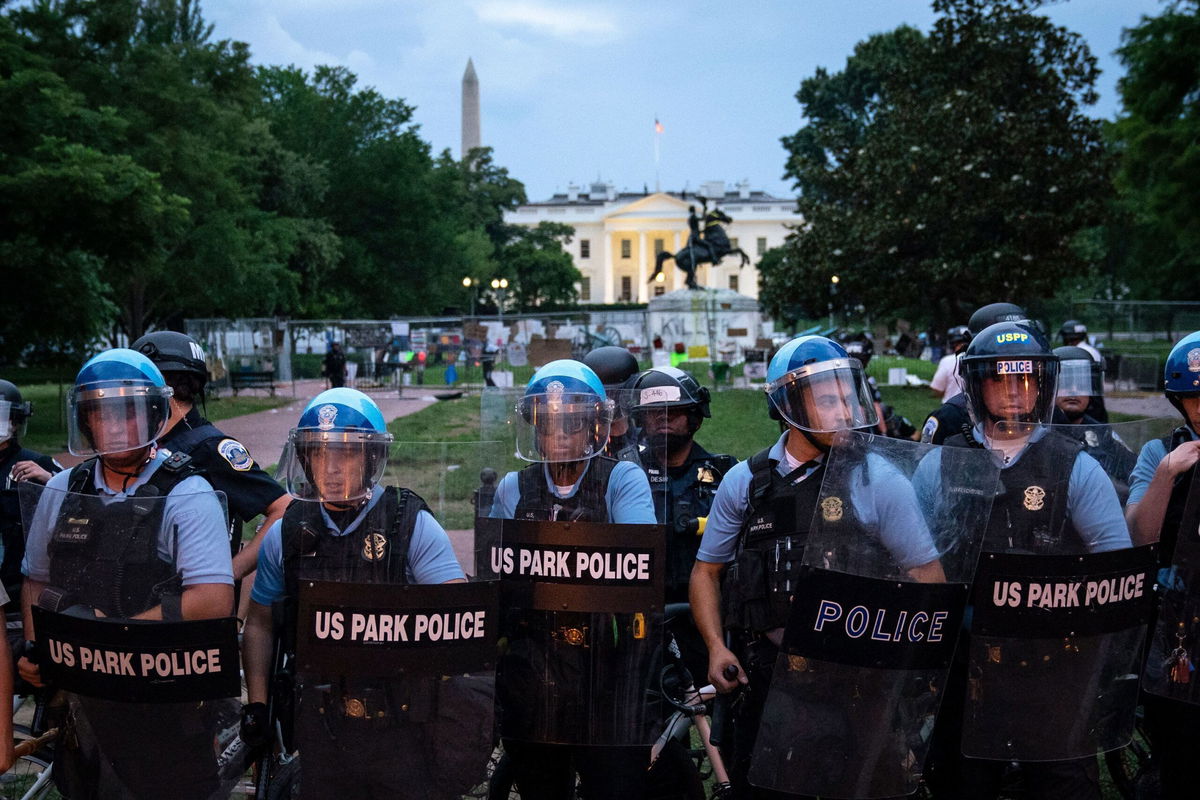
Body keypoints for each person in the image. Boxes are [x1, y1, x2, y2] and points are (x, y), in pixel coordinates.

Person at [689, 335, 946, 798]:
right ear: (787, 406)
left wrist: (900, 663)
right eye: (828, 400)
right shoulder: (746, 483)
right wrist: (714, 648)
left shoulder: (878, 478)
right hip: (770, 676)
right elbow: (707, 572)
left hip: (859, 679)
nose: (844, 411)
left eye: (848, 397)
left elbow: (928, 576)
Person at [923, 321, 1131, 800]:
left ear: (1043, 384)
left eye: (1026, 378)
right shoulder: (941, 463)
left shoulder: (1075, 463)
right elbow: (914, 562)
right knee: (963, 784)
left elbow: (1115, 570)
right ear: (976, 384)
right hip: (968, 662)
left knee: (1063, 785)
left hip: (1055, 664)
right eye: (1000, 378)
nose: (1015, 391)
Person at [18, 348, 234, 798]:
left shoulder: (188, 493)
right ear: (86, 421)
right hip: (85, 704)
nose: (115, 426)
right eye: (101, 414)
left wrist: (113, 638)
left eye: (128, 413)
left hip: (165, 704)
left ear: (155, 415)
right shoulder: (63, 488)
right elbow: (37, 579)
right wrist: (39, 647)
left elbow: (213, 600)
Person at [241, 388, 466, 799]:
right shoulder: (286, 533)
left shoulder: (408, 522)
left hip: (401, 720)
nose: (330, 469)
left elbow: (457, 616)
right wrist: (258, 704)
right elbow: (259, 622)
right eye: (318, 454)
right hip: (320, 722)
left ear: (372, 458)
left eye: (346, 454)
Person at [489, 360, 656, 800]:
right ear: (534, 428)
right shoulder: (513, 487)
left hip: (609, 664)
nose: (560, 434)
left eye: (572, 422)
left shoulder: (622, 478)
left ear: (593, 426)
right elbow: (494, 578)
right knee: (541, 786)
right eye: (548, 424)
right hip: (535, 667)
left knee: (613, 785)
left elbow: (636, 564)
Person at [132, 331, 289, 584]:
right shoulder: (144, 443)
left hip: (190, 605)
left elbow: (282, 509)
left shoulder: (211, 449)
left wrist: (228, 574)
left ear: (161, 389)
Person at [1124, 331, 1200, 800]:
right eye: (1196, 399)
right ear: (1178, 402)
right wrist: (1166, 474)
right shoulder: (1160, 453)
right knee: (1180, 747)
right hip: (1178, 625)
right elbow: (1138, 535)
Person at [627, 366, 737, 602]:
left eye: (674, 412)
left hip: (712, 605)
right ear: (641, 420)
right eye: (654, 412)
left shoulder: (726, 472)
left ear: (694, 419)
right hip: (644, 605)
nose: (663, 418)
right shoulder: (625, 474)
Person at [921, 301, 1027, 445]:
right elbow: (930, 464)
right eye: (996, 377)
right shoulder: (951, 417)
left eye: (1023, 377)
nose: (1012, 390)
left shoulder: (1051, 416)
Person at [0, 379, 62, 608]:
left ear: (15, 423)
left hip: (22, 588)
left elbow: (80, 505)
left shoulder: (38, 464)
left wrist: (50, 480)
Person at [1053, 345, 1134, 502]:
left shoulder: (1102, 433)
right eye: (1066, 383)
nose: (1074, 390)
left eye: (1082, 383)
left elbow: (1136, 473)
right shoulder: (1038, 433)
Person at [842, 333, 918, 440]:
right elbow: (875, 406)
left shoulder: (838, 378)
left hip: (845, 422)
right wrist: (884, 433)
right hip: (860, 424)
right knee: (883, 410)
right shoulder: (866, 379)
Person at [582, 345, 642, 462]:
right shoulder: (578, 446)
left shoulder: (646, 442)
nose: (608, 401)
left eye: (614, 394)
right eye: (600, 395)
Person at [929, 325, 971, 402]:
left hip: (951, 408)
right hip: (976, 411)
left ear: (953, 343)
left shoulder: (947, 361)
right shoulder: (980, 360)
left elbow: (937, 389)